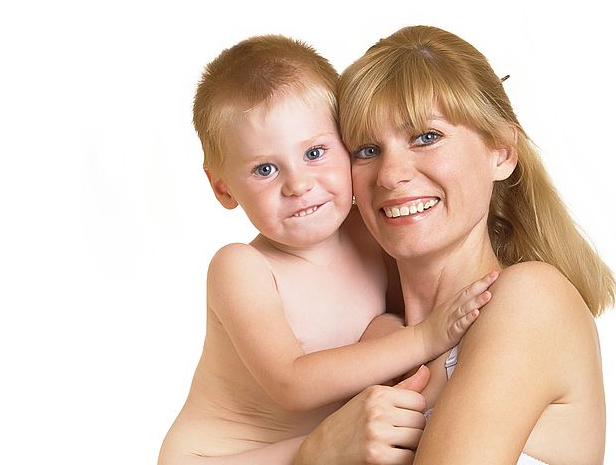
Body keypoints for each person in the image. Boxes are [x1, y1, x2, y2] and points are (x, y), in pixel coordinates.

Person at [157, 35, 498, 465]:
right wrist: (424, 336)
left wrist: (396, 330)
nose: (298, 184)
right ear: (223, 187)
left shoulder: (371, 234)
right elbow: (292, 383)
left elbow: (395, 327)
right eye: (265, 169)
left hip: (329, 445)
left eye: (315, 153)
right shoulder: (242, 268)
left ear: (348, 146)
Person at [293, 25, 616, 464]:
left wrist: (316, 454)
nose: (390, 175)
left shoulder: (530, 300)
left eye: (426, 137)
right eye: (367, 150)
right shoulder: (372, 345)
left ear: (500, 152)